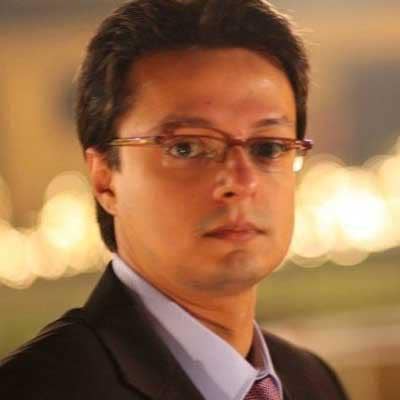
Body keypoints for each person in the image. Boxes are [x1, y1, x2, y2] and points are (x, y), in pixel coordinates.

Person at [0, 1, 349, 399]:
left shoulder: (312, 382)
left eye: (268, 148)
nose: (241, 181)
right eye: (187, 148)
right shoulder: (39, 389)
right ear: (105, 179)